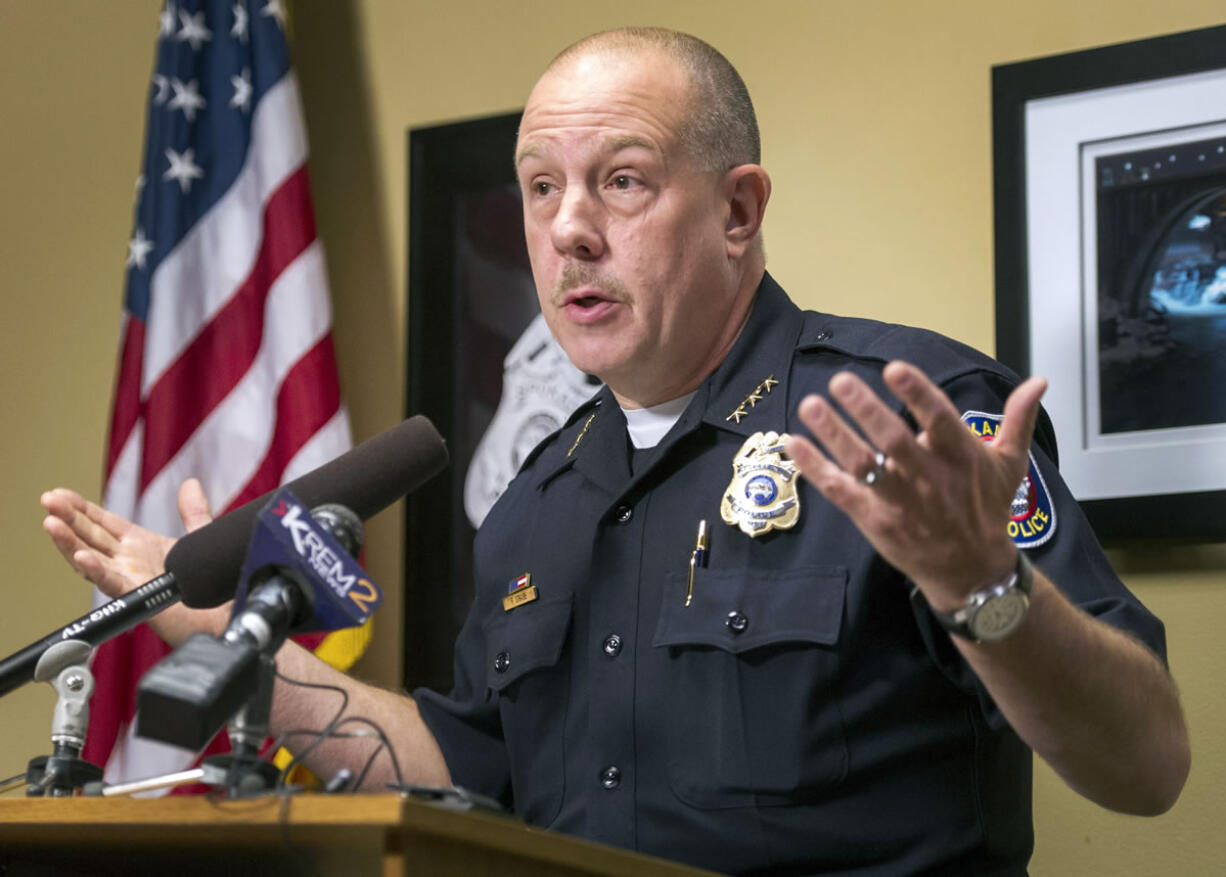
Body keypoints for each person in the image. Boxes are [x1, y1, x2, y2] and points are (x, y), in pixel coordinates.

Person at [43, 27, 1188, 876]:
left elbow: (1145, 765)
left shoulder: (909, 415)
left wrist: (977, 584)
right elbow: (460, 767)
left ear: (737, 211)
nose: (566, 228)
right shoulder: (536, 499)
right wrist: (214, 626)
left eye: (620, 181)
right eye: (539, 190)